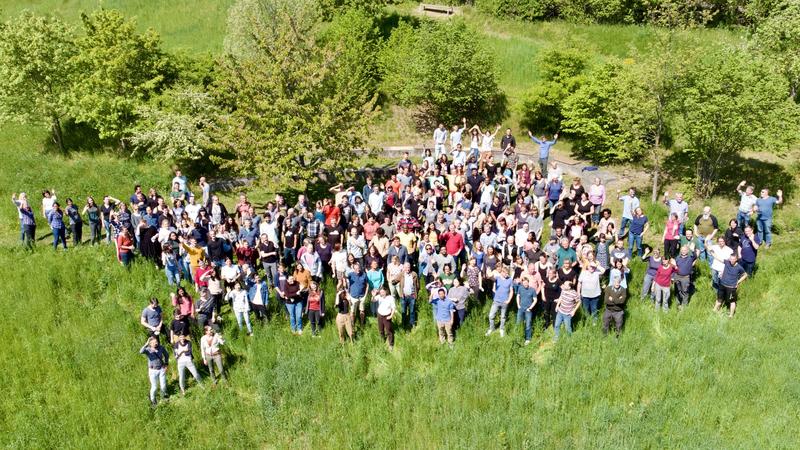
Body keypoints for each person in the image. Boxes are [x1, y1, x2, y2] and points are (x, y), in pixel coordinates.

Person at [714, 254, 748, 318]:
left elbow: (745, 275)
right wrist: (710, 251)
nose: (731, 260)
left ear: (736, 259)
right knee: (719, 299)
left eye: (733, 259)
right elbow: (718, 257)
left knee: (732, 302)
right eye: (730, 259)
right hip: (722, 285)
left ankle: (731, 315)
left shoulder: (739, 267)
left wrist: (738, 282)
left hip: (731, 288)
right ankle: (714, 310)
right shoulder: (727, 262)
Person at [139, 336, 169, 406]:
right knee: (154, 387)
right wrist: (146, 344)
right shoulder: (148, 349)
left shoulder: (161, 347)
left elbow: (166, 355)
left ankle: (163, 398)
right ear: (150, 343)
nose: (155, 343)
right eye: (153, 342)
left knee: (163, 386)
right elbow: (141, 352)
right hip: (152, 371)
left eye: (156, 342)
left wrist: (166, 363)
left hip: (161, 369)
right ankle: (153, 401)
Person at [486, 266, 514, 337]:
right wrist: (488, 271)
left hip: (505, 302)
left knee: (503, 317)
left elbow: (511, 291)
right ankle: (492, 328)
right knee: (491, 316)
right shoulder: (497, 278)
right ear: (502, 272)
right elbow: (490, 277)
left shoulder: (510, 280)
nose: (507, 275)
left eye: (508, 273)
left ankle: (501, 329)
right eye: (506, 273)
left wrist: (509, 300)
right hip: (496, 301)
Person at [674, 245, 697, 310]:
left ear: (687, 251)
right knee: (678, 290)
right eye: (682, 250)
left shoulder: (690, 258)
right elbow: (674, 267)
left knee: (685, 291)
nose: (683, 251)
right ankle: (678, 303)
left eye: (685, 250)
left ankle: (684, 306)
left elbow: (695, 256)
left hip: (685, 277)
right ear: (680, 251)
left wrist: (693, 250)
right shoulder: (677, 258)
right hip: (677, 276)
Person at [516, 278, 538, 345]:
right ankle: (518, 336)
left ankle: (528, 338)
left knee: (528, 324)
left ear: (528, 282)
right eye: (524, 283)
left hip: (528, 310)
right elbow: (518, 296)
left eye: (526, 282)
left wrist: (530, 308)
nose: (525, 284)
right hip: (521, 309)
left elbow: (535, 300)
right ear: (522, 283)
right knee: (518, 323)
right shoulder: (520, 288)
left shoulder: (532, 290)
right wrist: (518, 305)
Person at [346, 262, 368, 327]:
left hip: (362, 296)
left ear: (360, 268)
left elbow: (367, 284)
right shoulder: (350, 275)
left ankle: (362, 324)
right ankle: (352, 325)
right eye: (355, 269)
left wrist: (366, 295)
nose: (357, 270)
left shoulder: (364, 274)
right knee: (352, 312)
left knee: (362, 311)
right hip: (353, 297)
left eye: (358, 268)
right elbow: (345, 283)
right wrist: (348, 295)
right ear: (353, 269)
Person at [397, 262, 419, 328]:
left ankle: (412, 323)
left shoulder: (414, 274)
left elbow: (417, 285)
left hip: (412, 296)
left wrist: (416, 294)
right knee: (403, 311)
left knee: (412, 311)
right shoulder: (401, 274)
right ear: (403, 268)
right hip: (403, 296)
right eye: (406, 267)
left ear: (410, 267)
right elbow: (395, 280)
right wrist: (391, 280)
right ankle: (403, 323)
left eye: (408, 267)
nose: (407, 269)